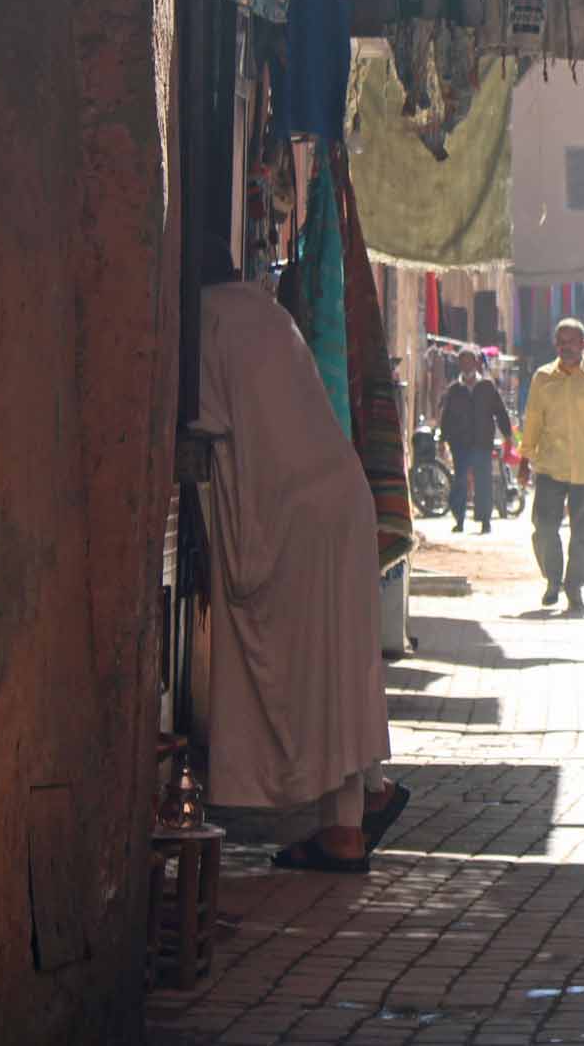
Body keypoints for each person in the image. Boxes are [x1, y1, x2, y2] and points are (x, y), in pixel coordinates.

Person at [194, 262, 403, 873]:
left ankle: (353, 818)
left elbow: (203, 429)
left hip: (299, 514)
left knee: (319, 670)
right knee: (344, 666)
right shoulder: (264, 312)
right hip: (338, 499)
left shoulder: (204, 319)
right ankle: (354, 813)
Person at [518, 318, 584, 618]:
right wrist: (525, 458)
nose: (566, 347)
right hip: (551, 465)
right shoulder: (543, 378)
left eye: (572, 342)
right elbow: (534, 419)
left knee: (583, 534)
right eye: (562, 342)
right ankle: (553, 579)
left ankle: (574, 587)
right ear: (556, 346)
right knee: (544, 527)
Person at [440, 348, 514, 534]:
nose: (466, 365)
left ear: (476, 363)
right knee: (460, 481)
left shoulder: (487, 387)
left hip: (482, 442)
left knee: (483, 482)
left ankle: (485, 520)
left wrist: (508, 436)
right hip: (460, 443)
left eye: (469, 361)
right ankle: (460, 519)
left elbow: (500, 412)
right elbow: (446, 417)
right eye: (462, 362)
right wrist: (443, 440)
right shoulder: (454, 389)